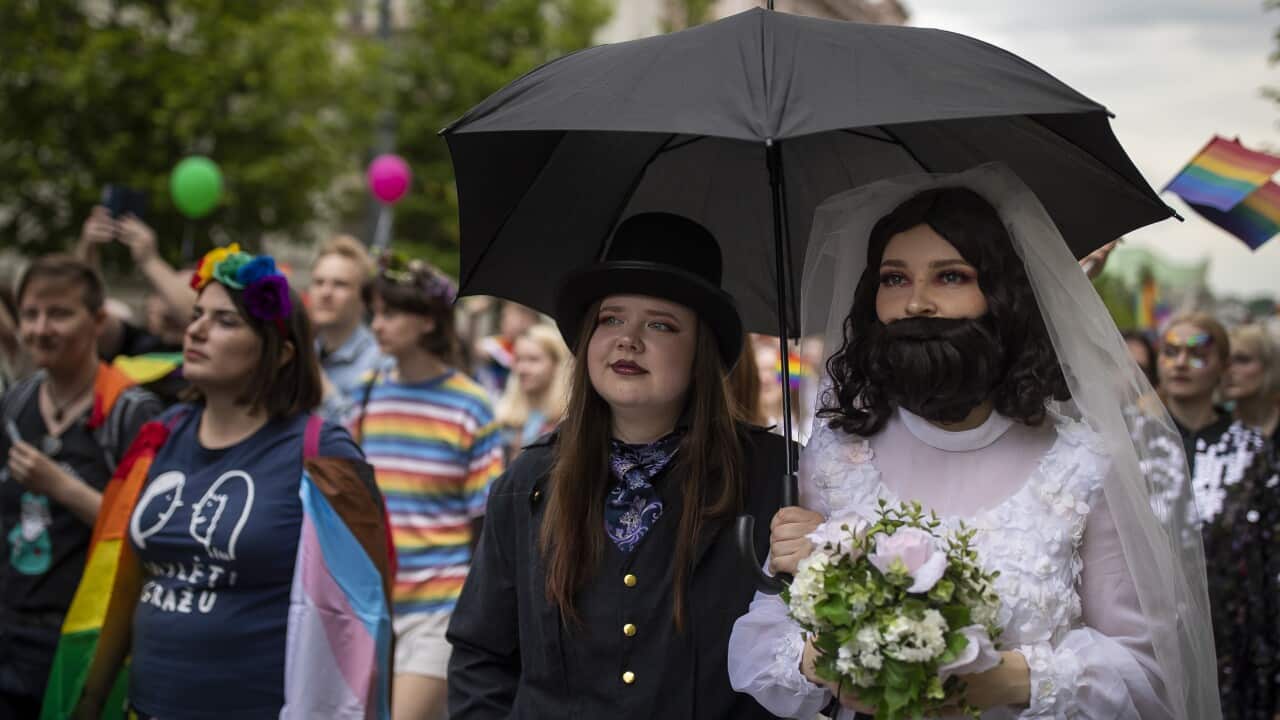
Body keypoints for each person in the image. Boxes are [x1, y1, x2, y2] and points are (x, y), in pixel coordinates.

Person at [729, 168, 1218, 719]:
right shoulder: (837, 455)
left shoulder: (1080, 465)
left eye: (950, 277)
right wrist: (829, 654)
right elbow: (767, 644)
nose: (916, 303)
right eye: (894, 279)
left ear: (1003, 298)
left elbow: (1146, 675)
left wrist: (1005, 680)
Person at [446, 212, 788, 719]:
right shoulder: (530, 480)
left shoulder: (774, 478)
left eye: (660, 324)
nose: (628, 340)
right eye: (611, 319)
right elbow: (482, 657)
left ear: (701, 353)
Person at [64, 244, 393, 720]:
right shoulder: (160, 434)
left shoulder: (322, 452)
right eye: (197, 315)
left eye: (225, 321)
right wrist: (89, 699)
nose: (196, 329)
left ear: (280, 353)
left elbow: (361, 620)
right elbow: (120, 583)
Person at [0, 255, 161, 717]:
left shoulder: (131, 412)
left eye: (59, 313)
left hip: (77, 640)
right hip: (9, 629)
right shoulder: (18, 401)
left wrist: (62, 487)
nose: (41, 328)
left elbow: (145, 536)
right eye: (30, 314)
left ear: (98, 322)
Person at [348, 254, 503, 720]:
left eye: (391, 313)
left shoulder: (471, 405)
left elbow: (484, 521)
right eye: (375, 313)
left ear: (428, 321)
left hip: (439, 605)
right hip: (371, 601)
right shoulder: (366, 391)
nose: (377, 325)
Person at [309, 234, 388, 421]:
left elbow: (368, 437)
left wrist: (321, 385)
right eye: (319, 282)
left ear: (364, 298)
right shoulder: (300, 351)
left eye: (340, 284)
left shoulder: (380, 362)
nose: (325, 293)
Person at [494, 323, 572, 458]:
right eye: (518, 359)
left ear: (556, 364)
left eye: (533, 360)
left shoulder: (569, 423)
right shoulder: (504, 417)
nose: (522, 369)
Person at [472, 301, 540, 402]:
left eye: (507, 316)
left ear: (526, 319)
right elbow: (477, 348)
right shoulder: (496, 345)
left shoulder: (537, 347)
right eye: (503, 317)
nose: (502, 322)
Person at [1225, 323, 1280, 447]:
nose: (1229, 370)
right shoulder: (1211, 430)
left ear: (1270, 365)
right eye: (1226, 361)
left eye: (1242, 360)